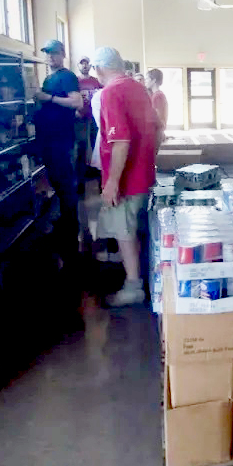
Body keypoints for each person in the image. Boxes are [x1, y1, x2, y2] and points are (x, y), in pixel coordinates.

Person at [91, 47, 162, 307]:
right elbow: (158, 129)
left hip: (126, 179)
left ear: (99, 69)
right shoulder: (138, 88)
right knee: (135, 227)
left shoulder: (110, 92)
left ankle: (133, 286)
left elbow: (120, 141)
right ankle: (136, 270)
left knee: (124, 230)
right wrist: (148, 160)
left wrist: (112, 182)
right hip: (143, 174)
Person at [34, 40, 83, 257]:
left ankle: (70, 231)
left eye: (54, 53)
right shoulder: (49, 78)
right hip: (50, 139)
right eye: (47, 54)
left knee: (65, 185)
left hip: (61, 140)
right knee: (56, 183)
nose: (50, 57)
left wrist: (49, 98)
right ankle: (63, 224)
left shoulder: (67, 76)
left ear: (62, 54)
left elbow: (76, 103)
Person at [75, 55, 102, 189]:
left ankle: (100, 181)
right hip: (80, 120)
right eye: (82, 63)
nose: (84, 65)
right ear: (78, 65)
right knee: (81, 148)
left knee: (98, 147)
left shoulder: (96, 81)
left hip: (95, 120)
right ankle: (80, 182)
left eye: (87, 63)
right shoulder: (75, 81)